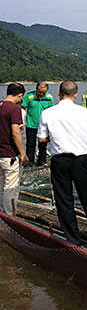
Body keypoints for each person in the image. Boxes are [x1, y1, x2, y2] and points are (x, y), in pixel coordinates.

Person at [37, 81, 87, 245]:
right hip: (81, 159)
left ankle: (73, 237)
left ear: (59, 93)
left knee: (64, 198)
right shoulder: (84, 112)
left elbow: (41, 138)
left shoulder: (48, 113)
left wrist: (53, 138)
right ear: (75, 95)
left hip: (60, 160)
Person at [0, 83, 30, 215]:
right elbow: (15, 133)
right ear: (20, 95)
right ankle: (10, 218)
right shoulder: (14, 109)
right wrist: (23, 154)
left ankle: (2, 215)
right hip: (9, 155)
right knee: (10, 188)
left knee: (1, 186)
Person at [21, 82, 54, 166]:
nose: (42, 94)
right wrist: (22, 122)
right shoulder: (29, 96)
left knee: (43, 145)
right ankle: (29, 162)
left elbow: (51, 112)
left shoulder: (49, 98)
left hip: (43, 126)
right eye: (40, 92)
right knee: (30, 144)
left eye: (44, 92)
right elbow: (22, 108)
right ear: (36, 90)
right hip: (30, 125)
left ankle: (42, 162)